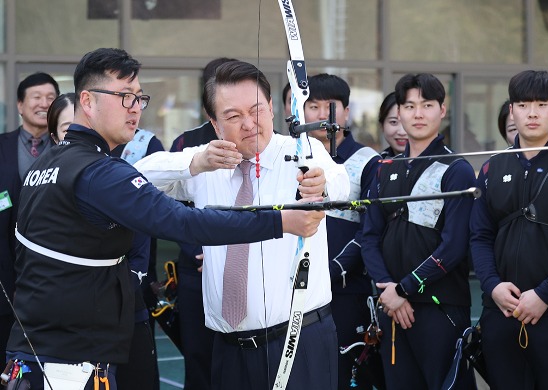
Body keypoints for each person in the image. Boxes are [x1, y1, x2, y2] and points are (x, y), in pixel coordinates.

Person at [5, 48, 325, 390]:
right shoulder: (97, 172)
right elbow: (184, 223)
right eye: (124, 97)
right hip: (68, 362)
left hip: (38, 352)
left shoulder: (49, 164)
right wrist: (281, 222)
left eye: (138, 98)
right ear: (87, 100)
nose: (134, 109)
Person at [135, 60, 349, 390]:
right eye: (234, 116)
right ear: (215, 123)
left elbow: (338, 183)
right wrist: (196, 162)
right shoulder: (211, 160)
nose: (249, 124)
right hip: (228, 346)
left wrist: (319, 185)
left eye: (257, 110)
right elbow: (137, 178)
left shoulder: (303, 150)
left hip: (298, 339)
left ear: (273, 110)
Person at [469, 70, 548, 390]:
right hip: (501, 311)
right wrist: (493, 286)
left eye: (542, 104)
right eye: (523, 105)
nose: (533, 113)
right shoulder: (492, 167)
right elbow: (480, 235)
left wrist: (544, 293)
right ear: (511, 110)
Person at [360, 73, 476, 390]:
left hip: (440, 307)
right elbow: (369, 236)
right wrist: (387, 289)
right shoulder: (385, 168)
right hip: (391, 307)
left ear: (443, 109)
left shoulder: (457, 169)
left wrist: (404, 289)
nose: (418, 114)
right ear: (399, 112)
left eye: (427, 105)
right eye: (409, 106)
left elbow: (454, 247)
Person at [304, 73, 383, 390]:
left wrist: (333, 270)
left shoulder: (368, 161)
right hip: (297, 291)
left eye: (331, 106)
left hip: (347, 291)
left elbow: (370, 230)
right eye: (313, 106)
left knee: (346, 376)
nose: (322, 114)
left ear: (347, 112)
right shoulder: (291, 157)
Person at [167, 56, 238, 390]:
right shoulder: (186, 143)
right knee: (199, 357)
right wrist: (201, 251)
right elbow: (171, 209)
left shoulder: (264, 141)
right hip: (195, 268)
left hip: (246, 267)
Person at [0, 72, 59, 367]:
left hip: (53, 275)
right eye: (36, 97)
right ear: (21, 105)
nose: (44, 104)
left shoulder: (68, 150)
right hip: (4, 271)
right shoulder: (1, 146)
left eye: (51, 98)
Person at [110, 129, 164, 390]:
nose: (132, 108)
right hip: (85, 298)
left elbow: (163, 210)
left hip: (135, 285)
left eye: (137, 99)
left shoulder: (146, 144)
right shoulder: (64, 165)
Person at [378, 92, 407, 158]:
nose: (402, 132)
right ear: (382, 125)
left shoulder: (434, 161)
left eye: (407, 122)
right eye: (393, 122)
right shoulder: (376, 164)